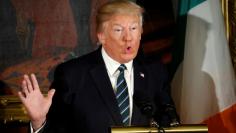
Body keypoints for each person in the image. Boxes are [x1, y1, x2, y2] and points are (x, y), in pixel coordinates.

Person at [18, 0, 179, 133]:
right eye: (118, 30)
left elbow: (169, 121)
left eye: (133, 28)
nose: (128, 38)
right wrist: (39, 122)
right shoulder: (72, 75)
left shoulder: (155, 72)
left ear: (141, 31)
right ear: (101, 35)